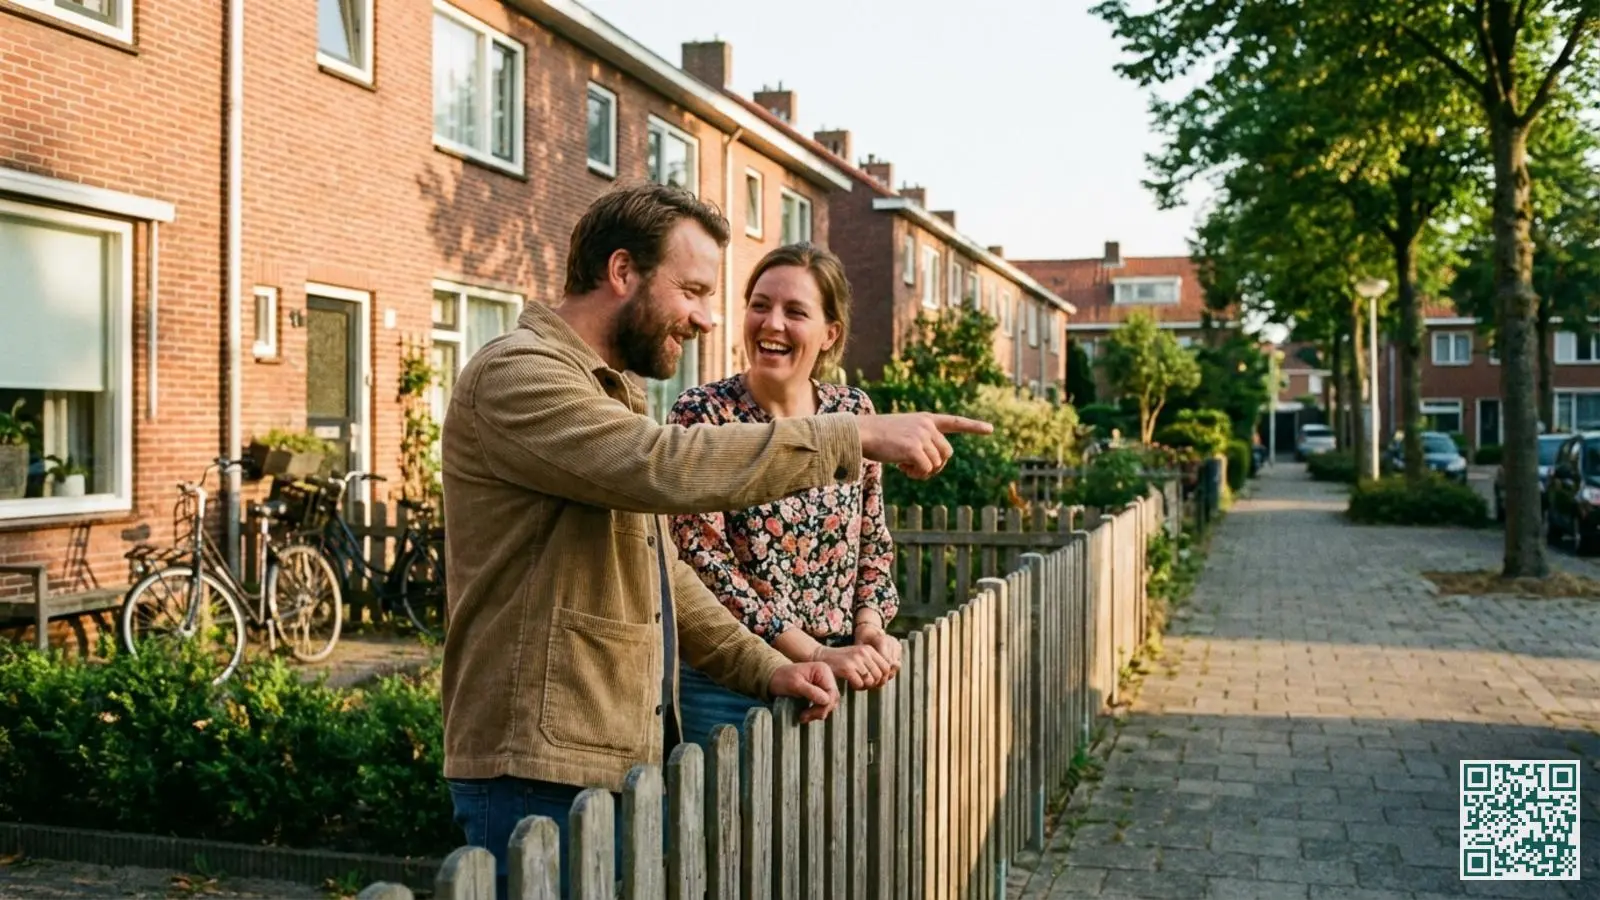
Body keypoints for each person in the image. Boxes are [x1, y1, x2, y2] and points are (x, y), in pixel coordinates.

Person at [438, 183, 991, 898]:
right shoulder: (519, 375)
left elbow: (666, 576)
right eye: (693, 290)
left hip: (602, 753)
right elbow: (662, 466)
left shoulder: (606, 390)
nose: (706, 317)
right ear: (622, 272)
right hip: (532, 767)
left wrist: (771, 669)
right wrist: (851, 434)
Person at [667, 244, 901, 748]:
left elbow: (872, 541)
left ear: (830, 333)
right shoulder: (703, 414)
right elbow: (704, 564)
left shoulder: (852, 412)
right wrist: (809, 652)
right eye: (760, 305)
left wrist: (869, 627)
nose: (772, 324)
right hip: (731, 681)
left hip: (840, 674)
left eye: (795, 311)